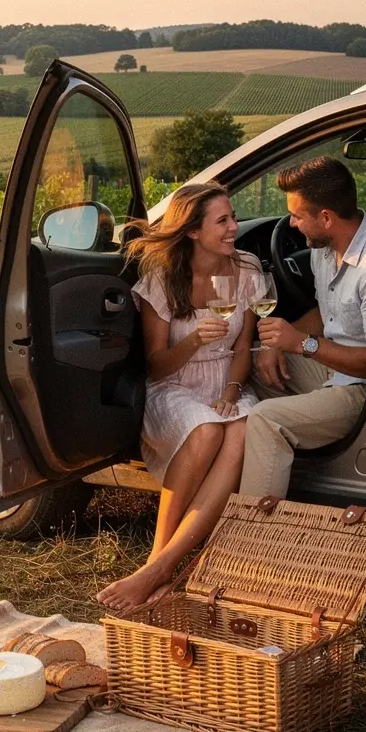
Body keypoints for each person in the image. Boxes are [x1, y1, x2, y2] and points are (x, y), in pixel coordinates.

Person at [97, 182, 266, 612]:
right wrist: (192, 343)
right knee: (207, 429)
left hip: (227, 380)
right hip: (174, 384)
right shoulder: (162, 279)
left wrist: (231, 390)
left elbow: (243, 348)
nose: (234, 228)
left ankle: (159, 567)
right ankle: (159, 560)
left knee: (245, 426)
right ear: (192, 231)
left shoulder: (246, 268)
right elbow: (156, 366)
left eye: (233, 217)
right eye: (222, 221)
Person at [239, 156, 366, 499]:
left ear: (325, 217)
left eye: (296, 216)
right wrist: (276, 345)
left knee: (267, 419)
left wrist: (302, 344)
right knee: (242, 367)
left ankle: (253, 536)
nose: (292, 225)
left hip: (362, 390)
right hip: (327, 370)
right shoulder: (323, 249)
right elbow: (325, 313)